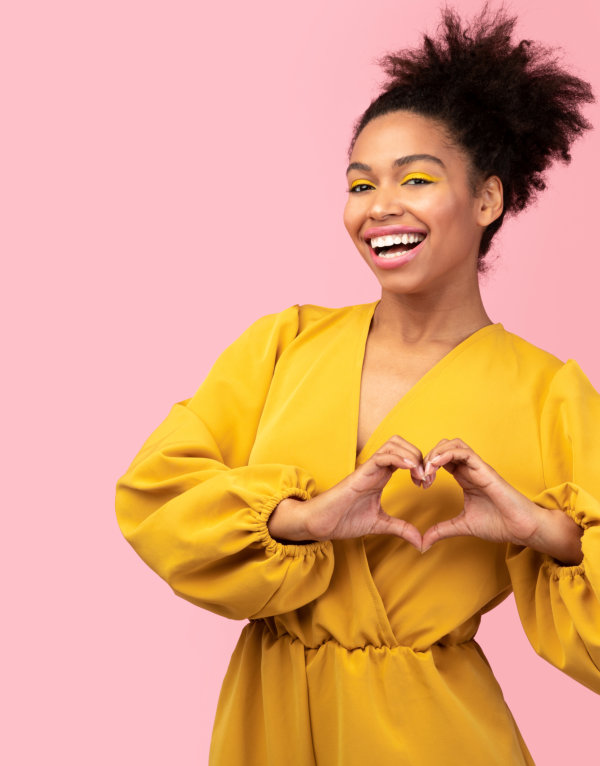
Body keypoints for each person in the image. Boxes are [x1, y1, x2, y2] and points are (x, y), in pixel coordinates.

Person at [115, 4, 600, 764]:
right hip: (265, 726)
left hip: (434, 735)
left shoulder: (551, 395)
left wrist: (542, 531)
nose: (379, 207)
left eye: (415, 178)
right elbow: (154, 502)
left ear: (487, 200)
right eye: (359, 183)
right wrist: (301, 521)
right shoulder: (285, 344)